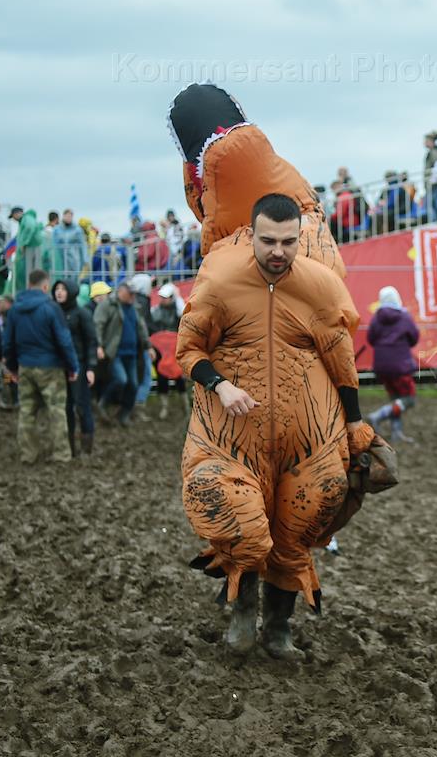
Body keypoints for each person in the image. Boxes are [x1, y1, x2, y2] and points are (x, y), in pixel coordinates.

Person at [177, 193, 395, 659]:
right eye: (269, 241)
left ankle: (278, 629)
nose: (278, 251)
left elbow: (341, 362)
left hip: (308, 443)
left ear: (300, 238)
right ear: (252, 236)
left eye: (288, 242)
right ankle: (242, 613)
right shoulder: (220, 284)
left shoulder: (321, 287)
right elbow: (189, 350)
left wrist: (356, 424)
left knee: (296, 534)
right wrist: (220, 385)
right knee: (244, 527)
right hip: (233, 440)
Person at [2, 270, 79, 464]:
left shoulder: (15, 309)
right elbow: (64, 340)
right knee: (56, 411)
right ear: (46, 286)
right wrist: (72, 366)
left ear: (29, 284)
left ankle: (28, 454)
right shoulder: (51, 308)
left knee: (26, 412)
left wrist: (12, 367)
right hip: (51, 367)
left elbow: (8, 342)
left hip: (25, 366)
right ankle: (61, 454)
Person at [366, 285, 420, 444]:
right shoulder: (404, 317)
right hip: (400, 367)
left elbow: (371, 338)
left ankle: (397, 433)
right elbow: (414, 337)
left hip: (382, 367)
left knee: (396, 400)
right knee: (408, 400)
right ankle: (378, 416)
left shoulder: (376, 318)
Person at [93, 280, 152, 426]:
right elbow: (98, 325)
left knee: (133, 384)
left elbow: (141, 328)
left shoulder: (135, 307)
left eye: (133, 294)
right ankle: (103, 403)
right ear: (120, 292)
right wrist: (99, 345)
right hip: (115, 352)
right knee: (121, 379)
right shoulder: (108, 305)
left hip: (131, 353)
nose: (132, 296)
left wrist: (148, 346)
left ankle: (124, 414)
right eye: (130, 293)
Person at [52, 280, 98, 456]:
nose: (59, 292)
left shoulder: (82, 313)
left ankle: (87, 448)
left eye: (63, 289)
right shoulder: (53, 313)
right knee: (65, 407)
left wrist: (90, 367)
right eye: (57, 289)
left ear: (71, 292)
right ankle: (70, 447)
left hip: (79, 365)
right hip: (59, 366)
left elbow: (91, 341)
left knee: (82, 405)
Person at [149, 283, 185, 421]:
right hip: (159, 349)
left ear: (172, 298)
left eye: (166, 297)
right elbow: (151, 328)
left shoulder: (179, 311)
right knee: (161, 376)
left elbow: (184, 320)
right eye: (162, 297)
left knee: (178, 375)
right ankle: (164, 406)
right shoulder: (155, 311)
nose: (163, 300)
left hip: (174, 348)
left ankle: (184, 405)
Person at [128, 273, 157, 418]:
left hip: (132, 345)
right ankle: (139, 405)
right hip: (141, 346)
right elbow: (144, 326)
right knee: (145, 375)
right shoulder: (142, 302)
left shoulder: (132, 300)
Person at [52, 209, 89, 285]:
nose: (68, 218)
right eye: (67, 216)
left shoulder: (77, 230)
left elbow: (82, 245)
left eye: (70, 216)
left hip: (73, 259)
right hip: (60, 258)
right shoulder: (57, 229)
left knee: (73, 279)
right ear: (63, 216)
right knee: (60, 278)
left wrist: (85, 259)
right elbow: (53, 244)